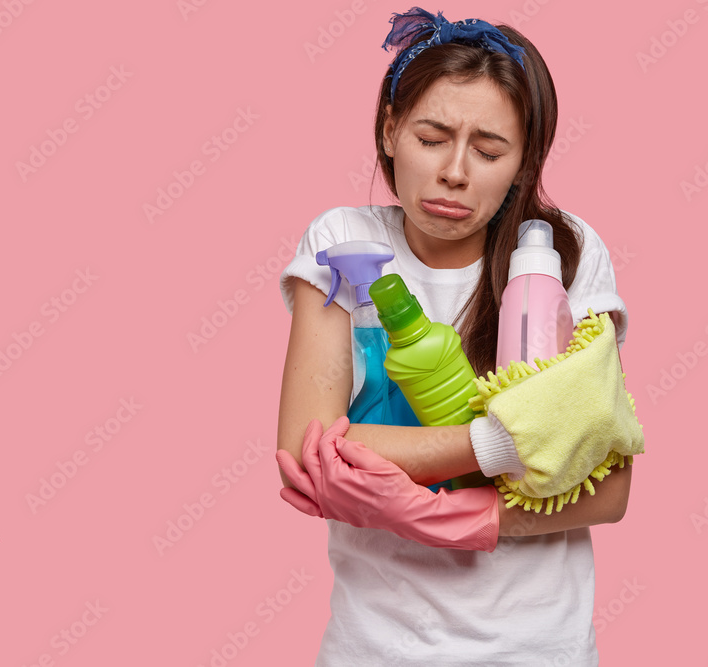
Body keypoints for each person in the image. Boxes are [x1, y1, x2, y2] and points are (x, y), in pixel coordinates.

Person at [274, 7, 634, 665]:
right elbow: (307, 451)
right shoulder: (342, 241)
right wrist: (504, 444)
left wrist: (447, 515)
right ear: (390, 129)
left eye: (490, 149)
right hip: (374, 648)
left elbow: (608, 488)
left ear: (524, 163)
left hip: (535, 648)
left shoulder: (565, 253)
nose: (456, 172)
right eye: (432, 137)